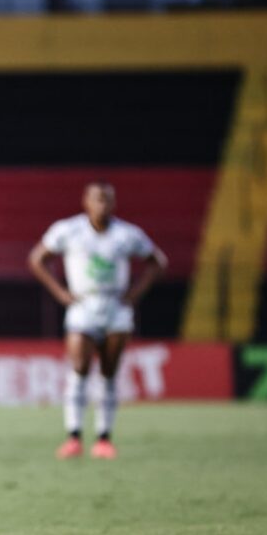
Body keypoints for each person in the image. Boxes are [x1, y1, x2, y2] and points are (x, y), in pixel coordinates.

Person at [28, 181, 167, 460]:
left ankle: (104, 438)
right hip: (83, 304)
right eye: (97, 199)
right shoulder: (68, 230)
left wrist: (135, 294)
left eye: (107, 200)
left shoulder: (127, 234)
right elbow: (37, 258)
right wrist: (60, 292)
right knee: (79, 367)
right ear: (86, 202)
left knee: (109, 371)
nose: (102, 205)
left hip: (115, 306)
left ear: (114, 204)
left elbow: (158, 261)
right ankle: (74, 436)